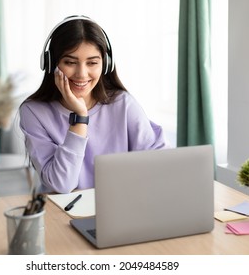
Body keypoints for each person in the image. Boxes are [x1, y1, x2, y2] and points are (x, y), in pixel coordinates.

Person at [19, 15, 167, 194]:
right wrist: (80, 117)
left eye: (92, 63)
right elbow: (61, 184)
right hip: (64, 213)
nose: (82, 74)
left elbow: (159, 165)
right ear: (51, 64)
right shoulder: (34, 112)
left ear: (105, 64)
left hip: (122, 209)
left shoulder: (123, 104)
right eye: (70, 62)